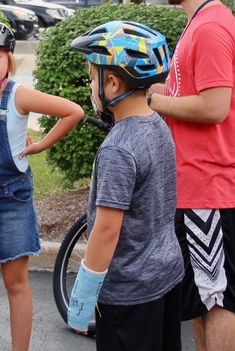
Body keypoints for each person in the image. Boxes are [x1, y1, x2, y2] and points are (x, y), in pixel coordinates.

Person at [149, 0, 235, 351]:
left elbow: (214, 107)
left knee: (215, 300)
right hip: (190, 189)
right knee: (199, 302)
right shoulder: (198, 24)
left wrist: (153, 100)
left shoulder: (210, 28)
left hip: (207, 189)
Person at [0, 20, 83, 350]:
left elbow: (73, 112)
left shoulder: (19, 96)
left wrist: (41, 145)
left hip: (11, 199)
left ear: (9, 61)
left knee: (15, 282)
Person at [67, 20, 184, 350]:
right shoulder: (158, 125)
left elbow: (106, 230)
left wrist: (83, 297)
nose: (91, 87)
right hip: (166, 276)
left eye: (93, 78)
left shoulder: (118, 147)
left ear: (114, 83)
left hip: (129, 293)